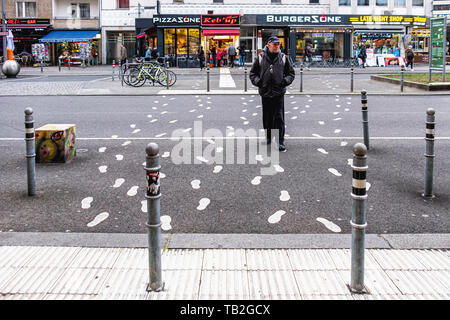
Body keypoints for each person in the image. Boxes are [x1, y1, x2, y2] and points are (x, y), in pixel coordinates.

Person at [249, 36, 295, 152]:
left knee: (279, 117)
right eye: (275, 44)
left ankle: (280, 141)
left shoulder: (284, 57)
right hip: (265, 92)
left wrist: (285, 82)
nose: (277, 46)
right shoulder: (260, 58)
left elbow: (291, 73)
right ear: (268, 44)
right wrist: (258, 82)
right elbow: (253, 73)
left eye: (278, 44)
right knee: (267, 117)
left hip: (278, 92)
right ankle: (268, 137)